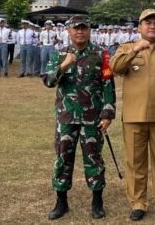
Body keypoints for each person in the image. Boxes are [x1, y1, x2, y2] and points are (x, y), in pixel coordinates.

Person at [111, 9, 155, 222]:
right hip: (134, 116)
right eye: (147, 23)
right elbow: (116, 67)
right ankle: (138, 203)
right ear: (139, 27)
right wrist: (134, 50)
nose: (152, 26)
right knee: (135, 162)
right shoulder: (126, 48)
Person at [43, 15, 116, 220]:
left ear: (89, 30)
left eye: (84, 28)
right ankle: (61, 201)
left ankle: (97, 201)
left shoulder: (101, 54)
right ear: (69, 31)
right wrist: (65, 65)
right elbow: (48, 81)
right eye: (76, 28)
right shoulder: (59, 54)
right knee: (63, 158)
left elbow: (108, 84)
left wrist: (108, 113)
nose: (80, 32)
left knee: (93, 158)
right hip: (66, 117)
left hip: (93, 118)